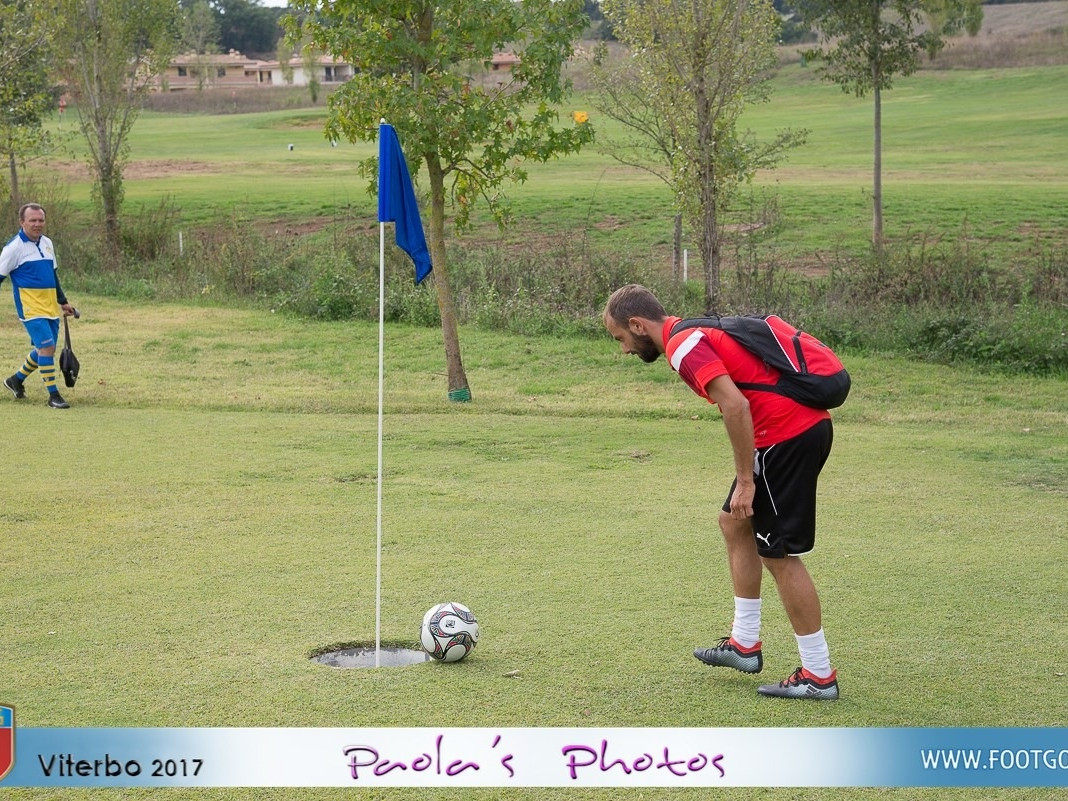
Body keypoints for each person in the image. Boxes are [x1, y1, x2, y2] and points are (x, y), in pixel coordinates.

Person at [602, 284, 839, 700]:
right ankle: (744, 643)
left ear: (638, 325)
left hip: (786, 436)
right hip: (794, 431)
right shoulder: (690, 331)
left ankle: (818, 675)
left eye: (621, 338)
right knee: (734, 521)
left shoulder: (681, 345)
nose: (624, 350)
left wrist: (747, 479)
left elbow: (735, 406)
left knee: (779, 555)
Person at [1, 203, 76, 409]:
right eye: (32, 220)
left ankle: (15, 380)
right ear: (22, 222)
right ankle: (54, 396)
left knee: (45, 350)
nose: (37, 224)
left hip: (50, 306)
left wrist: (63, 302)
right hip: (30, 309)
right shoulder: (14, 248)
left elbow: (53, 276)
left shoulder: (47, 243)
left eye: (40, 220)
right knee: (47, 347)